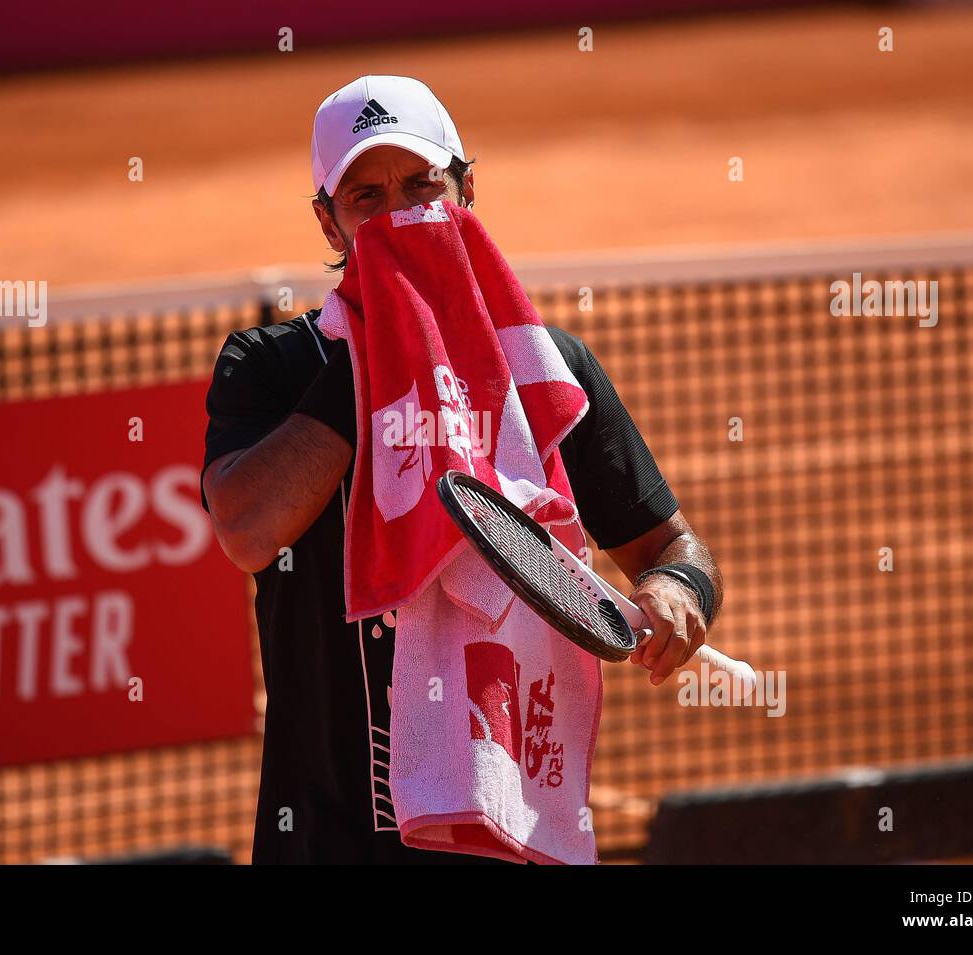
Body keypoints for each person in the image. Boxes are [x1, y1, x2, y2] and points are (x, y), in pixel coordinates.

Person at [200, 75, 723, 864]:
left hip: (505, 839)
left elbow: (674, 548)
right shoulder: (272, 367)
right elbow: (246, 528)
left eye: (421, 185)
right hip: (327, 843)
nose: (399, 213)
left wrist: (679, 590)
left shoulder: (548, 376)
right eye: (365, 198)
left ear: (466, 190)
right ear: (330, 224)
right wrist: (388, 356)